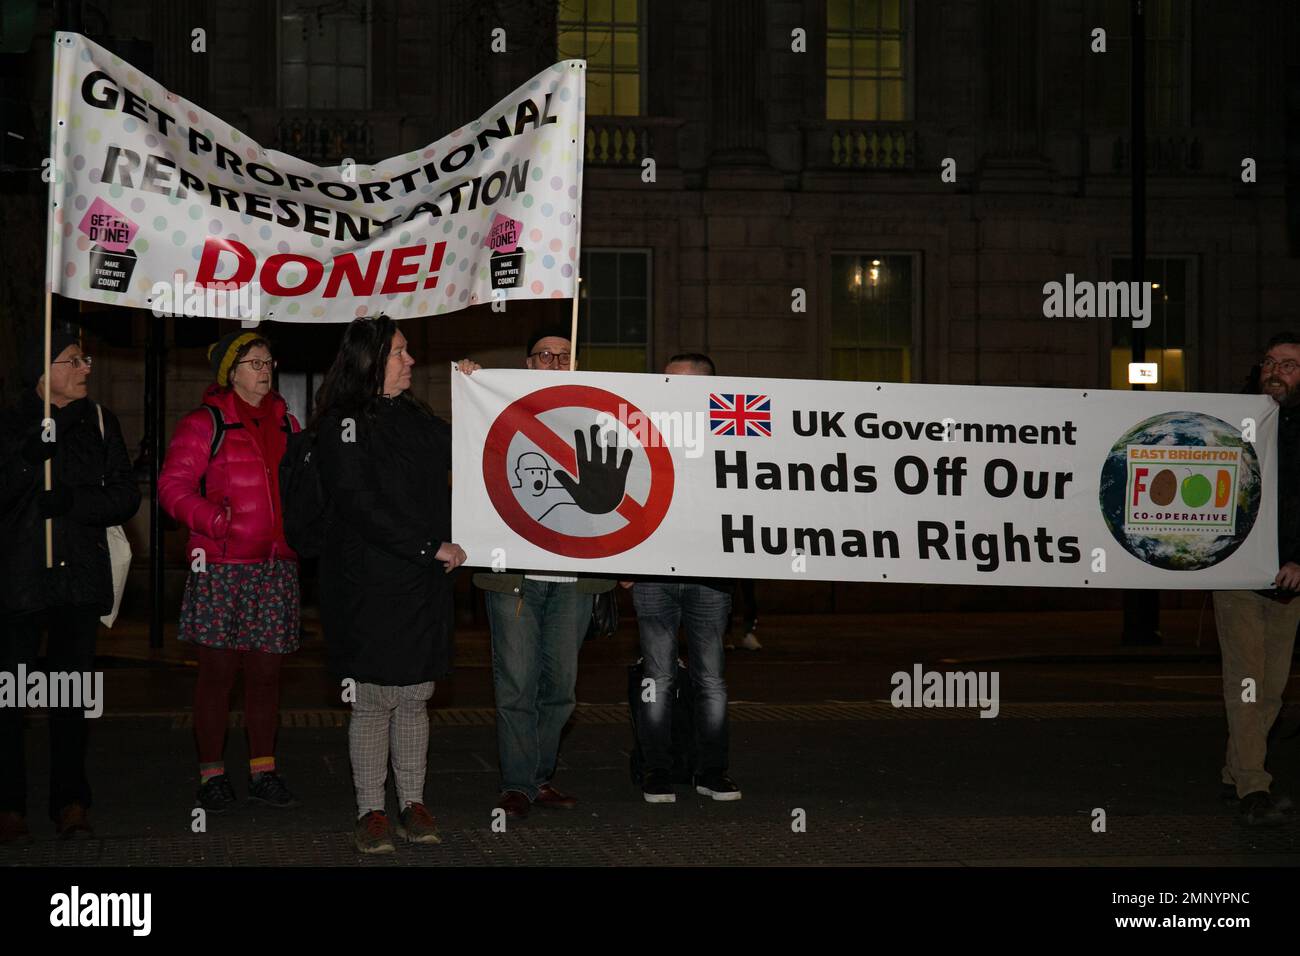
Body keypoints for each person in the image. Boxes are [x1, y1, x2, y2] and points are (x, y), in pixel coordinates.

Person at [313, 316, 467, 854]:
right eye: (399, 352)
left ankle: (413, 801)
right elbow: (359, 505)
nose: (410, 361)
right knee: (375, 698)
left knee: (416, 695)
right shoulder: (342, 424)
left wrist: (475, 394)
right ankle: (370, 810)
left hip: (419, 582)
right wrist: (428, 547)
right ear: (369, 361)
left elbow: (468, 448)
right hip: (369, 584)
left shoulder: (414, 417)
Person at [463, 328, 617, 819]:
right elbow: (470, 454)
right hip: (516, 577)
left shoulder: (600, 413)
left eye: (564, 355)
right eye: (544, 355)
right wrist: (472, 387)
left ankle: (538, 775)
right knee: (515, 684)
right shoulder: (502, 411)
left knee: (561, 689)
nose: (554, 362)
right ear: (527, 365)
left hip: (575, 579)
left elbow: (631, 475)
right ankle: (516, 782)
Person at [0, 325, 140, 841]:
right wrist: (25, 462)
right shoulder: (12, 422)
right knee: (10, 702)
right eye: (72, 360)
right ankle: (9, 804)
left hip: (77, 584)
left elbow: (125, 496)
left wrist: (75, 504)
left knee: (69, 701)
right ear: (43, 372)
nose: (86, 368)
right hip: (18, 584)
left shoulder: (100, 422)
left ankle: (71, 801)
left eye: (84, 360)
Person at [159, 331, 303, 815]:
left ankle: (264, 770)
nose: (264, 369)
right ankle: (212, 774)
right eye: (254, 362)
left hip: (275, 567)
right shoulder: (205, 423)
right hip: (221, 565)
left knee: (266, 676)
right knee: (217, 675)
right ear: (231, 373)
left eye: (268, 361)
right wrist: (215, 522)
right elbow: (172, 488)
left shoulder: (289, 424)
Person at [625, 352, 741, 803]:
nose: (671, 390)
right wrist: (624, 561)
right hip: (653, 573)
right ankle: (658, 770)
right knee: (658, 676)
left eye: (684, 383)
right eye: (667, 382)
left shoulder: (733, 433)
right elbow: (625, 495)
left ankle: (711, 771)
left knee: (710, 678)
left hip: (711, 576)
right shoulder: (645, 434)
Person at [1214, 331, 1300, 827]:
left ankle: (1234, 772)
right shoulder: (1236, 422)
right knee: (1245, 681)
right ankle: (1253, 784)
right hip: (1239, 574)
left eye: (1288, 365)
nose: (1275, 371)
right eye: (1269, 362)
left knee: (1271, 687)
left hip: (1288, 580)